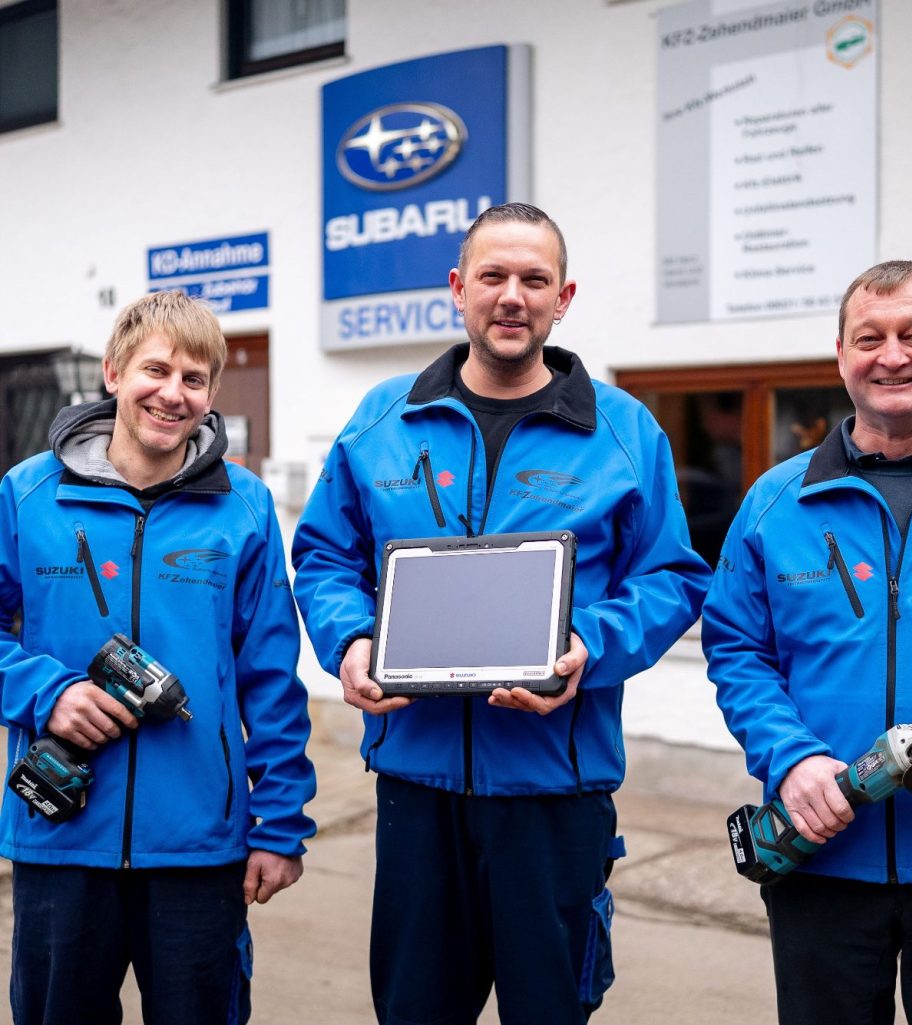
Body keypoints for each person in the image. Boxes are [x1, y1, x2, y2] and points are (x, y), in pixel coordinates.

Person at [292, 202, 709, 1024]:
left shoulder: (623, 430)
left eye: (533, 279)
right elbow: (326, 556)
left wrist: (591, 645)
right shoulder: (383, 418)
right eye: (493, 276)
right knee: (415, 1009)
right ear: (457, 288)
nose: (511, 295)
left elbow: (670, 577)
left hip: (556, 790)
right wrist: (348, 642)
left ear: (564, 297)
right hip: (418, 784)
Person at [702, 260, 912, 1025]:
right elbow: (736, 648)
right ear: (840, 354)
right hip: (820, 853)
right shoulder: (774, 502)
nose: (891, 355)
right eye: (868, 337)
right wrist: (791, 756)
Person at [0, 290, 317, 1025]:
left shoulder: (243, 505)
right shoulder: (27, 494)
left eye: (196, 378)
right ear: (113, 372)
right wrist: (47, 694)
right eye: (156, 370)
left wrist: (279, 822)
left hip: (199, 846)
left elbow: (270, 673)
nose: (173, 393)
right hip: (61, 838)